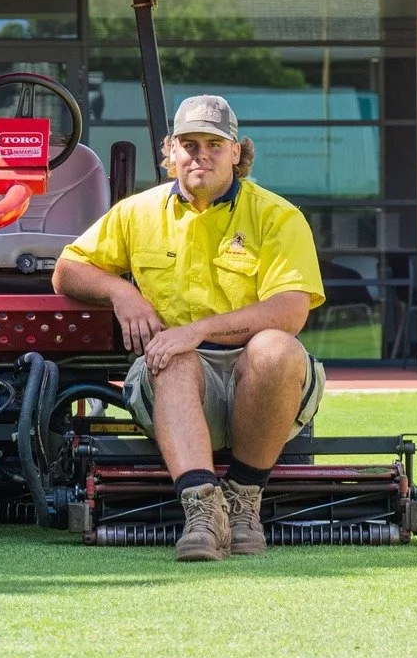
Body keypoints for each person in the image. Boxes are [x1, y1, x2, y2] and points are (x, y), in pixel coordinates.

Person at [52, 95, 326, 562]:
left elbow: (290, 309)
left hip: (258, 383)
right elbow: (67, 269)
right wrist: (124, 293)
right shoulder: (137, 212)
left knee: (277, 348)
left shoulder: (278, 216)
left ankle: (244, 501)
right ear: (170, 151)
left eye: (215, 144)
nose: (201, 154)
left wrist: (196, 330)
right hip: (173, 380)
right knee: (170, 356)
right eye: (189, 143)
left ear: (237, 152)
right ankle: (203, 512)